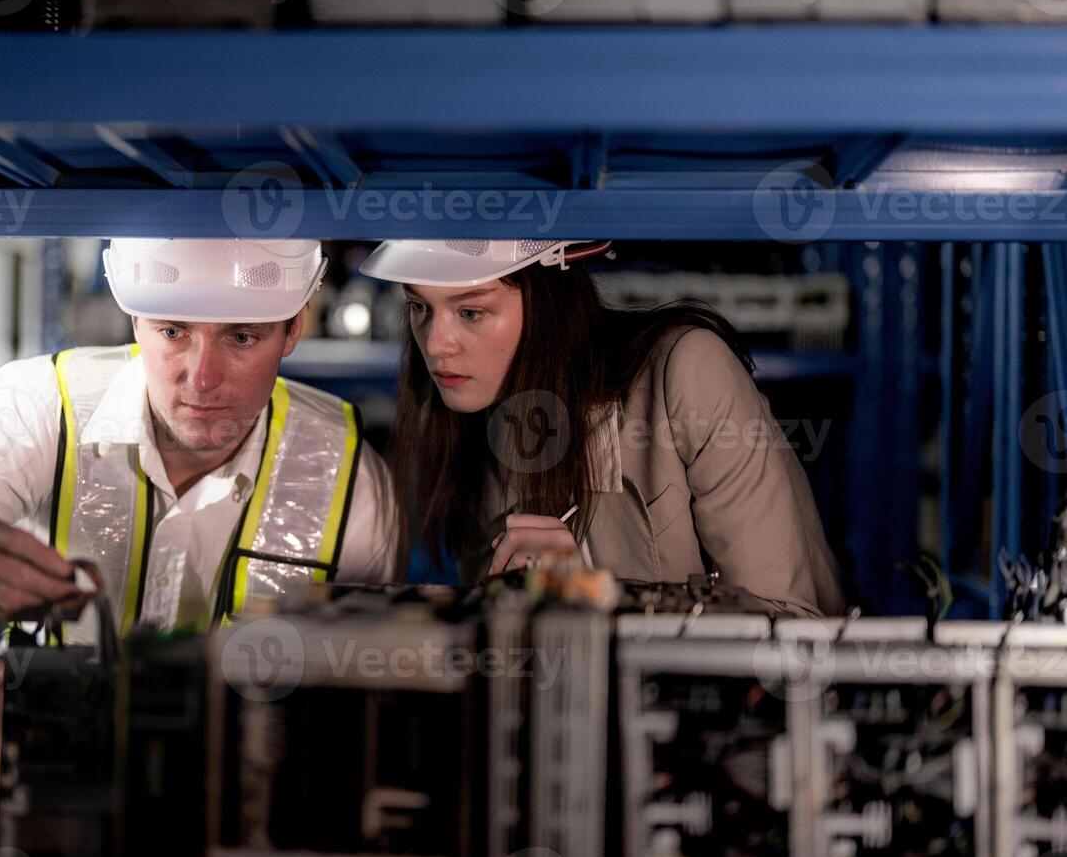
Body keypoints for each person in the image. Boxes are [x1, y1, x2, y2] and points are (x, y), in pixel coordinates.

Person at [0, 238, 399, 634]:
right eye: (172, 331)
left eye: (241, 338)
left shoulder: (353, 482)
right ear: (134, 322)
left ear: (295, 327)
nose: (201, 378)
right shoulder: (45, 407)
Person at [361, 239, 845, 617]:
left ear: (548, 304)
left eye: (471, 311)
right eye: (420, 307)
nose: (436, 344)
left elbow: (792, 626)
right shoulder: (468, 419)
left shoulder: (684, 373)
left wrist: (596, 595)